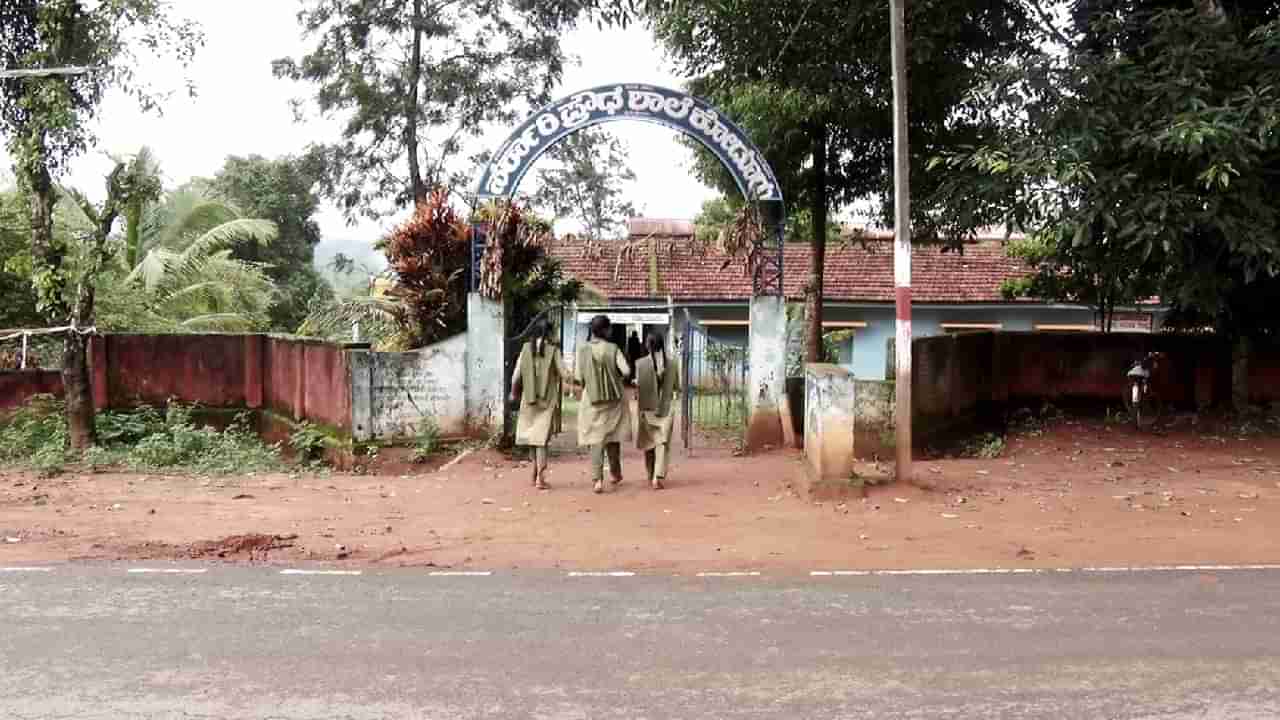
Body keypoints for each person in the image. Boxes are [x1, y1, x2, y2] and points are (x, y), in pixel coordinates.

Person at [509, 318, 571, 490]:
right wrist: (574, 379)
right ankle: (540, 477)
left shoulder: (525, 350)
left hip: (528, 399)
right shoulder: (553, 351)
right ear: (550, 333)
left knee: (532, 438)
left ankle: (534, 471)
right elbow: (564, 374)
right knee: (541, 439)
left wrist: (513, 393)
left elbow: (516, 375)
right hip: (547, 401)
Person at [576, 315, 631, 494]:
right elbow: (626, 370)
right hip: (613, 399)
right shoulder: (613, 348)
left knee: (595, 439)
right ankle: (615, 473)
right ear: (606, 330)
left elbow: (578, 377)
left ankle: (597, 480)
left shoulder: (582, 349)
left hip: (591, 399)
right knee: (612, 435)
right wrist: (614, 378)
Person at [634, 330, 680, 490]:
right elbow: (676, 387)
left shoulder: (640, 364)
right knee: (662, 443)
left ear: (647, 345)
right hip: (665, 409)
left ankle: (650, 473)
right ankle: (657, 476)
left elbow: (638, 388)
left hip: (647, 409)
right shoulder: (673, 364)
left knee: (649, 443)